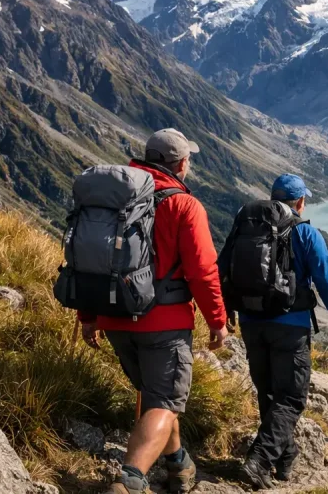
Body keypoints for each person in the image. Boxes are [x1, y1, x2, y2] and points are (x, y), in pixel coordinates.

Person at [82, 129, 229, 494]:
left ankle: (179, 465)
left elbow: (91, 260)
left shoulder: (115, 198)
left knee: (157, 397)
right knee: (164, 402)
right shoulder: (183, 205)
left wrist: (88, 316)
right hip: (163, 324)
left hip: (115, 317)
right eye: (188, 159)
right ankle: (129, 481)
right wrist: (218, 321)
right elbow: (202, 270)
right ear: (181, 163)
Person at [233, 174, 328, 489]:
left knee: (270, 393)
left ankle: (284, 460)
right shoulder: (304, 232)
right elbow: (327, 281)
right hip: (290, 326)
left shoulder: (246, 224)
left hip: (250, 321)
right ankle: (259, 460)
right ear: (300, 202)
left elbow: (223, 267)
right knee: (291, 397)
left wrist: (223, 313)